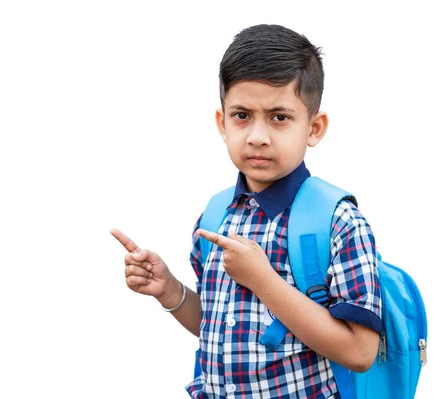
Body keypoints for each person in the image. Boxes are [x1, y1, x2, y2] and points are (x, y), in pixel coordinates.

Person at [111, 23, 382, 399]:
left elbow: (360, 352)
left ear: (314, 128)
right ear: (222, 123)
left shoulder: (338, 222)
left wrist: (264, 281)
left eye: (279, 117)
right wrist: (171, 291)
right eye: (242, 115)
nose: (257, 135)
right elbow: (219, 327)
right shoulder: (215, 215)